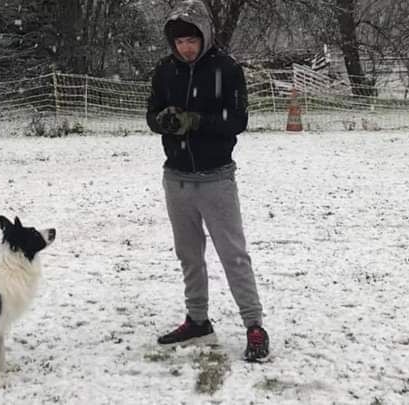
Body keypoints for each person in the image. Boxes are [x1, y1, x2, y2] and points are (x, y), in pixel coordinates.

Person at [146, 0, 269, 362]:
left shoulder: (226, 68)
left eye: (192, 40)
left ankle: (254, 326)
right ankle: (197, 320)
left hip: (217, 178)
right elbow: (150, 114)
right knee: (189, 255)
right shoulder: (165, 70)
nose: (186, 47)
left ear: (205, 37)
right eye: (179, 41)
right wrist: (163, 120)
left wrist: (197, 121)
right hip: (177, 178)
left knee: (233, 255)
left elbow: (237, 120)